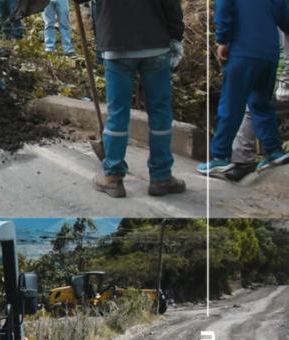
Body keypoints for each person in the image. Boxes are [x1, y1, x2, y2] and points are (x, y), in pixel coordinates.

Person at [91, 0, 186, 198]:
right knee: (160, 112)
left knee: (118, 113)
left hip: (116, 42)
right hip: (155, 42)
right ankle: (161, 177)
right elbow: (172, 5)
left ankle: (112, 177)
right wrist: (176, 36)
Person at [198, 0, 289, 175]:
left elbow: (223, 10)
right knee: (261, 103)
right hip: (269, 55)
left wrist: (223, 40)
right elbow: (285, 20)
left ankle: (220, 156)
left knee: (231, 104)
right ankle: (273, 150)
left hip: (243, 51)